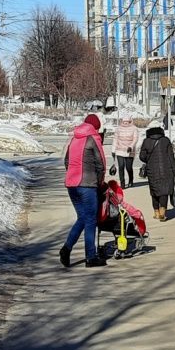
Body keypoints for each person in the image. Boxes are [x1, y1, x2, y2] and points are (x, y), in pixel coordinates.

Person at [61, 114, 107, 268]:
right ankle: (91, 257)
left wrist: (72, 175)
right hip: (87, 185)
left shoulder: (74, 138)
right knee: (90, 220)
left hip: (71, 184)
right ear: (96, 127)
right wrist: (99, 182)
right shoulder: (93, 138)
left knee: (82, 217)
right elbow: (101, 164)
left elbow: (66, 161)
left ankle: (66, 249)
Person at [139, 125, 175, 221]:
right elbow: (171, 156)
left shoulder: (146, 141)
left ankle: (156, 213)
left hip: (152, 171)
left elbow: (142, 157)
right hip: (166, 169)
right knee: (164, 191)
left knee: (154, 191)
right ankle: (162, 212)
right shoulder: (166, 140)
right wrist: (174, 170)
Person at [113, 115, 138, 188]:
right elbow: (115, 139)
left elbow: (135, 139)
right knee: (121, 166)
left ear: (130, 121)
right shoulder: (118, 128)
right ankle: (122, 183)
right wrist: (113, 150)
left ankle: (131, 180)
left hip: (129, 150)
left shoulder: (134, 129)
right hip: (119, 150)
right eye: (124, 122)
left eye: (127, 122)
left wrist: (131, 146)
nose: (126, 123)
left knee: (128, 167)